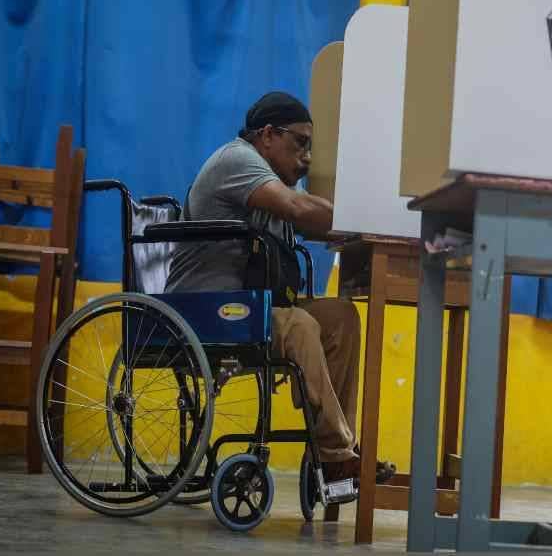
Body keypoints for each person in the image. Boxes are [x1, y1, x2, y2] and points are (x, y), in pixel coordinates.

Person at [165, 91, 395, 485]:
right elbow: (301, 210)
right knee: (298, 324)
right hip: (203, 310)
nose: (306, 157)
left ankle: (327, 452)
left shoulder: (271, 182)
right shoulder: (237, 161)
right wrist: (370, 216)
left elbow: (313, 217)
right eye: (300, 143)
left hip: (248, 310)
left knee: (341, 316)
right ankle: (337, 454)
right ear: (268, 135)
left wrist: (364, 223)